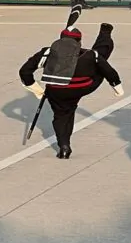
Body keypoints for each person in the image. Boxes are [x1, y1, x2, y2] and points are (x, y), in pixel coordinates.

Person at [19, 23, 123, 159]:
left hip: (57, 89)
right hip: (83, 87)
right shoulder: (90, 55)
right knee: (100, 60)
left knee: (61, 116)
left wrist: (37, 89)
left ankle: (64, 146)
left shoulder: (47, 52)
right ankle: (105, 34)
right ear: (79, 41)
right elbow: (110, 72)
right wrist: (116, 86)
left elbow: (25, 71)